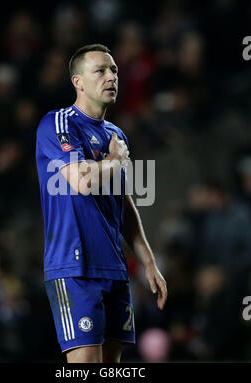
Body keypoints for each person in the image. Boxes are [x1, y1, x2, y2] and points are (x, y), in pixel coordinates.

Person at [35, 44, 167, 363]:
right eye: (100, 71)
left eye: (114, 71)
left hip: (114, 269)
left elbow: (122, 202)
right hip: (75, 266)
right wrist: (113, 159)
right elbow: (82, 182)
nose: (111, 77)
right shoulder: (58, 124)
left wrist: (148, 261)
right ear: (78, 81)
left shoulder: (116, 134)